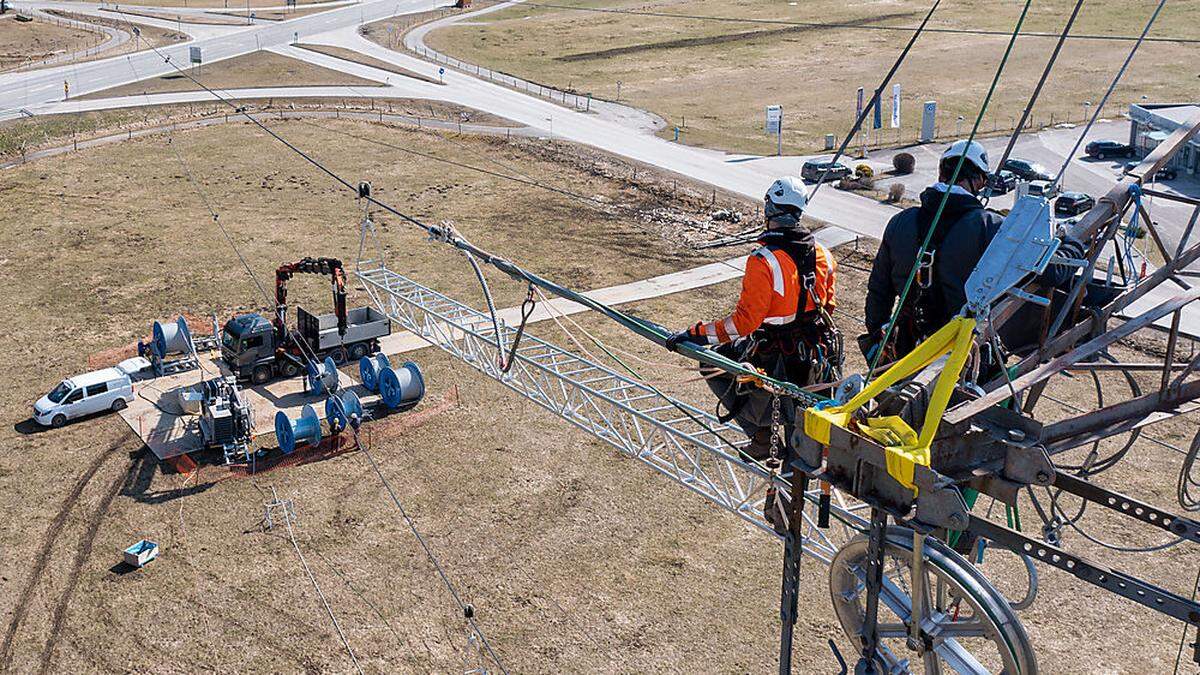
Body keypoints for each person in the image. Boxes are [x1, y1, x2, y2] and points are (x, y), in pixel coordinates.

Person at [666, 176, 840, 462]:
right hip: (814, 353)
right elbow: (828, 306)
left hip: (775, 355)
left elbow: (743, 323)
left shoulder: (764, 260)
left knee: (712, 364)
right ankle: (791, 453)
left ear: (770, 210)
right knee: (800, 422)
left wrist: (696, 334)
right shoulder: (824, 255)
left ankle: (762, 438)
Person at [862, 140, 1004, 364]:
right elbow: (1047, 272)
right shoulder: (989, 227)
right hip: (961, 357)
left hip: (904, 350)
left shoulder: (901, 221)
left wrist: (878, 337)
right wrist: (1069, 246)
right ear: (977, 180)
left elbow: (879, 289)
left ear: (941, 173)